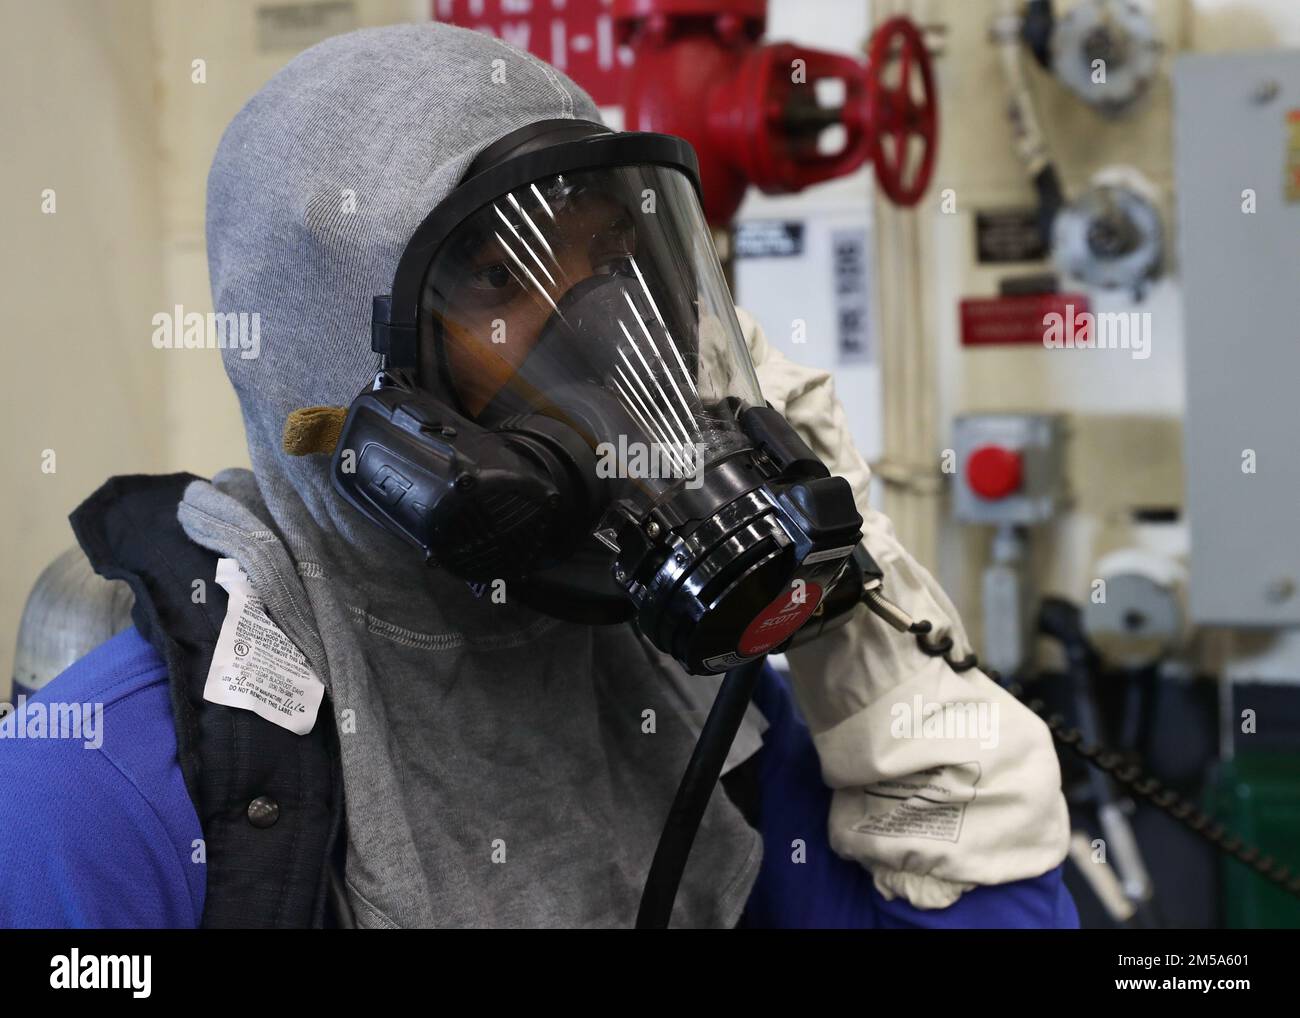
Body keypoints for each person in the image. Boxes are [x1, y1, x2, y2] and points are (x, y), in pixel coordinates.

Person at [0, 22, 1076, 929]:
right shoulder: (109, 793)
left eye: (614, 260)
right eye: (502, 277)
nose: (607, 339)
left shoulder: (694, 705)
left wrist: (854, 613)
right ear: (328, 366)